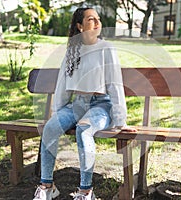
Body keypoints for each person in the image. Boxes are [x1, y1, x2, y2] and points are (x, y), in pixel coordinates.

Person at [33, 7, 137, 200]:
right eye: (91, 19)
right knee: (49, 128)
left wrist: (120, 120)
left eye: (98, 18)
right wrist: (58, 113)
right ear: (80, 26)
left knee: (84, 129)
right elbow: (63, 85)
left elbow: (115, 85)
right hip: (77, 104)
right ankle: (47, 186)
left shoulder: (107, 49)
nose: (97, 22)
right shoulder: (72, 50)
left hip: (101, 106)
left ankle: (85, 191)